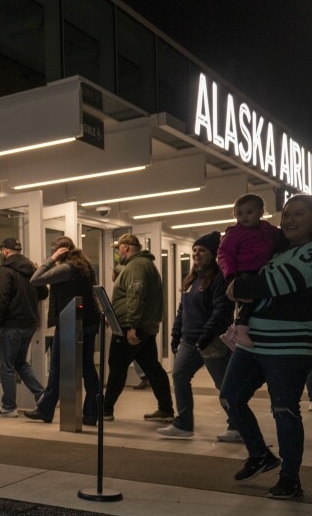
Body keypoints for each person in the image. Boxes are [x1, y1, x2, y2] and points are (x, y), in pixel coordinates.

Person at [219, 193, 312, 500]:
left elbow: (266, 285)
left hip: (289, 345)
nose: (289, 220)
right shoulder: (278, 251)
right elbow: (250, 284)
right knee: (230, 396)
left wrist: (241, 287)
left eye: (298, 214)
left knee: (284, 408)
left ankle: (289, 478)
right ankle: (260, 454)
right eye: (286, 214)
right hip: (253, 341)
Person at [155, 231, 236, 440]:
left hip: (212, 342)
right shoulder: (192, 279)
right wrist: (175, 335)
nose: (197, 255)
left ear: (212, 254)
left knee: (223, 385)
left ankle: (237, 426)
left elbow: (221, 311)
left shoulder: (219, 279)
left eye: (202, 251)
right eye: (194, 251)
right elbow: (183, 310)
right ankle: (183, 425)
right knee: (180, 375)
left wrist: (206, 335)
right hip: (189, 341)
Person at [23, 236, 101, 425]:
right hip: (87, 322)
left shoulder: (67, 268)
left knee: (57, 366)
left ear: (61, 251)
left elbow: (35, 279)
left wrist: (50, 260)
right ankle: (91, 413)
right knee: (87, 368)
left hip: (71, 323)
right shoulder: (85, 267)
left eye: (56, 251)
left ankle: (46, 410)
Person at [102, 233, 175, 422]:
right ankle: (166, 409)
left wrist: (131, 325)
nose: (118, 254)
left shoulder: (137, 266)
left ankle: (105, 410)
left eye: (119, 250)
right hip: (142, 327)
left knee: (117, 367)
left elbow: (135, 295)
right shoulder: (142, 265)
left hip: (132, 327)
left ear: (126, 247)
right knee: (153, 369)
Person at [217, 194, 285, 349]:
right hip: (245, 271)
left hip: (263, 270)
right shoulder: (233, 233)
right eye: (239, 213)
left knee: (255, 302)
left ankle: (234, 331)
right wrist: (231, 274)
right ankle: (238, 330)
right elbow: (224, 254)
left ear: (261, 212)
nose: (244, 217)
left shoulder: (267, 229)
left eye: (249, 212)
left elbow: (283, 237)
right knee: (249, 302)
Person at [0, 237, 46, 417]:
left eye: (1, 251)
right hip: (28, 324)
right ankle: (42, 395)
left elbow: (1, 300)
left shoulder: (5, 270)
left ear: (5, 251)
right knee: (21, 363)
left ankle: (8, 407)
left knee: (6, 366)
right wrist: (38, 272)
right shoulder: (31, 268)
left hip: (11, 324)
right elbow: (44, 293)